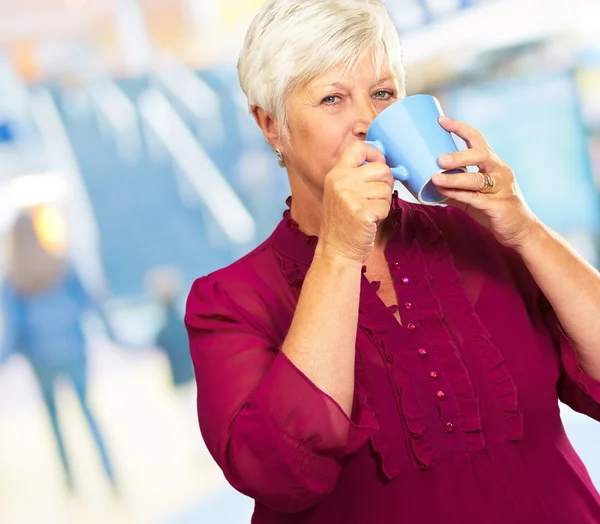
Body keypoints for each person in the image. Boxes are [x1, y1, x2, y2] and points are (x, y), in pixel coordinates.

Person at [184, 1, 600, 522]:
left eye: (382, 94)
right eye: (332, 98)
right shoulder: (229, 300)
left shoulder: (485, 237)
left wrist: (526, 229)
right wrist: (338, 250)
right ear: (272, 126)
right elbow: (282, 476)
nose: (366, 121)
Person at [0, 209, 117, 492]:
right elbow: (91, 302)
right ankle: (110, 474)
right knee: (88, 410)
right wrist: (115, 336)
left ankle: (70, 482)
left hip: (41, 360)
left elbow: (13, 329)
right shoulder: (62, 264)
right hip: (74, 349)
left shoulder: (13, 279)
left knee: (54, 420)